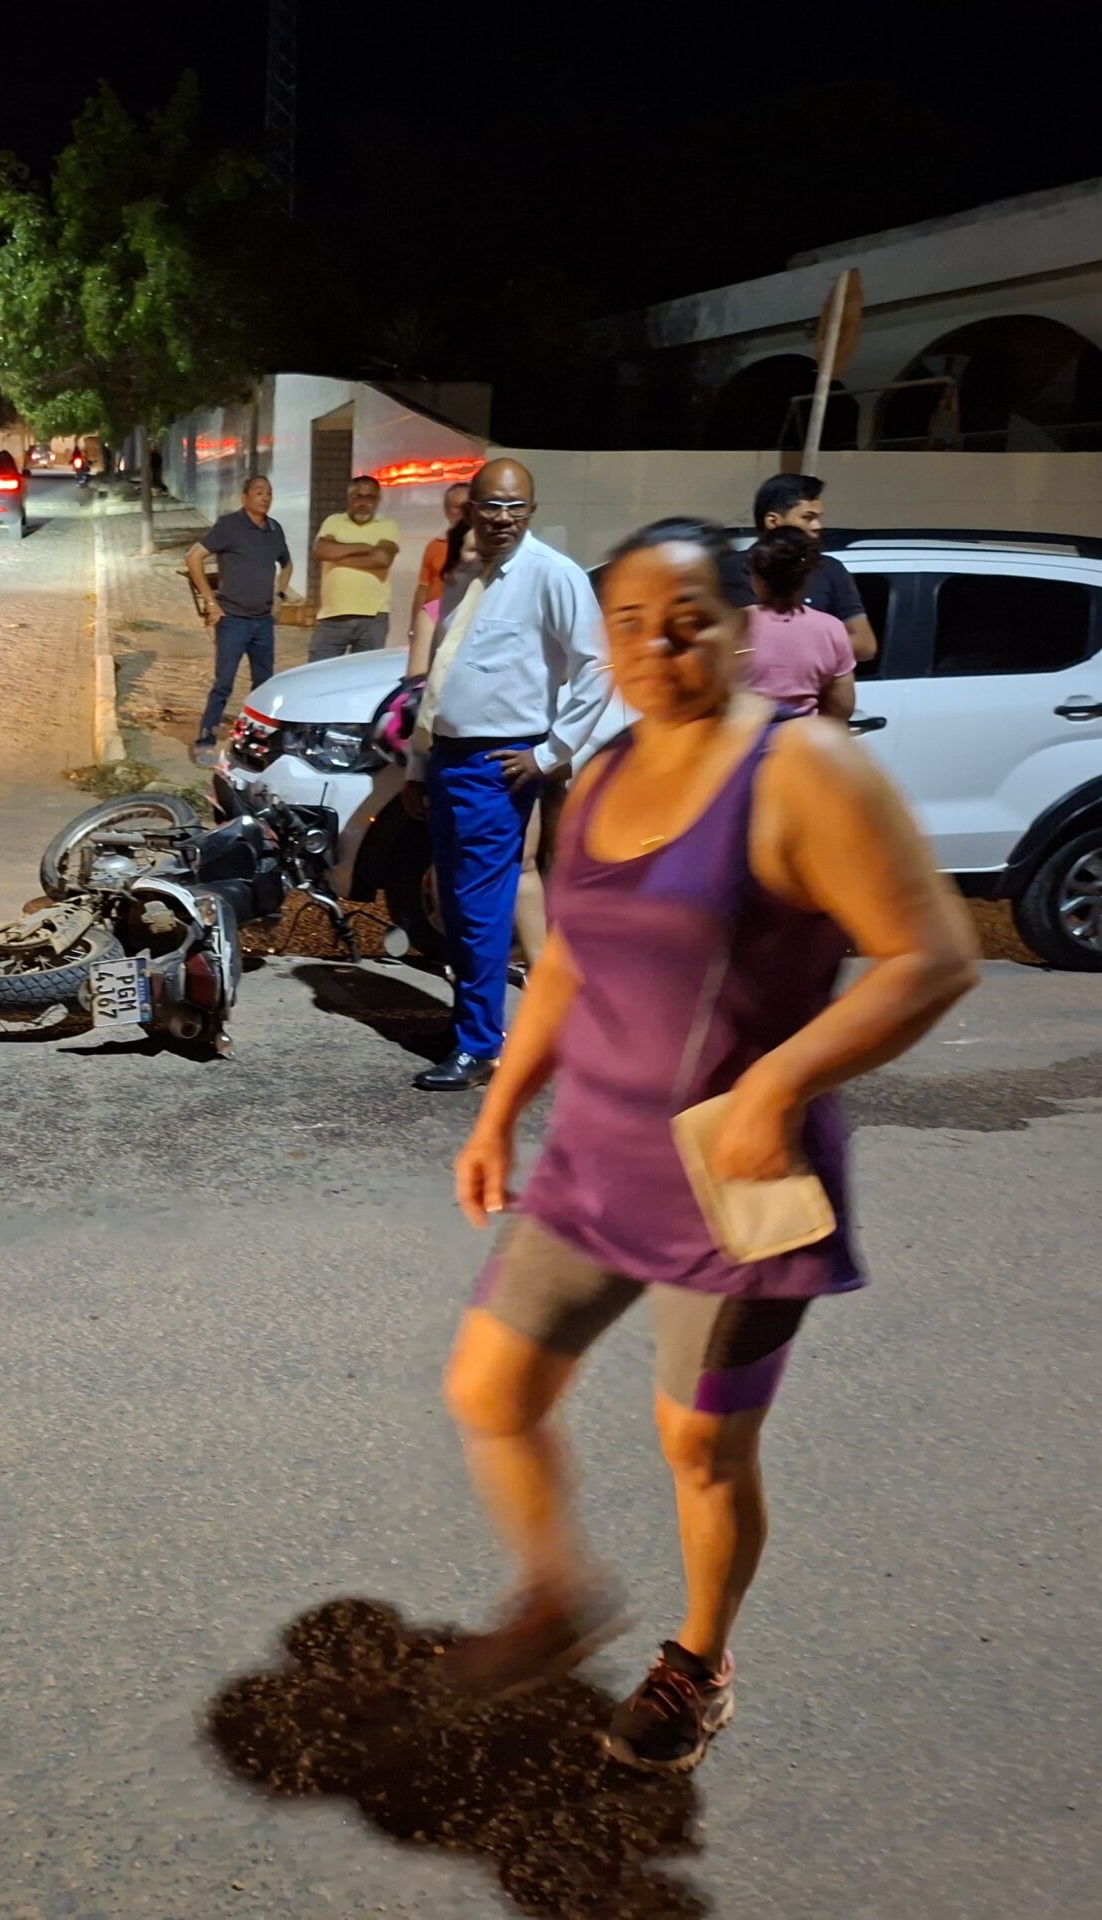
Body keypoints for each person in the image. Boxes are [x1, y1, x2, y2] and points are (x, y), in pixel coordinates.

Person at [439, 514, 977, 1772]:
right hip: (594, 1159)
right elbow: (570, 952)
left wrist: (778, 1082)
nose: (658, 643)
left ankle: (695, 1662)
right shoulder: (612, 769)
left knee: (700, 1446)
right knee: (490, 1389)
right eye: (628, 621)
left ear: (742, 629)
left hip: (736, 1176)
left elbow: (933, 955)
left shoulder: (803, 773)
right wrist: (501, 1106)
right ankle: (558, 1597)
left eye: (688, 616)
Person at [404, 460, 613, 1092]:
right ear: (470, 510)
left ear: (531, 510)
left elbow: (596, 669)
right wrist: (419, 765)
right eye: (489, 507)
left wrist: (548, 755)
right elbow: (438, 679)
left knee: (480, 910)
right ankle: (473, 1027)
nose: (500, 519)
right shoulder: (473, 575)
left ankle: (478, 1047)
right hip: (448, 760)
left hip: (498, 765)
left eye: (513, 508)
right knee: (457, 906)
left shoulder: (553, 576)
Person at [184, 474, 294, 768]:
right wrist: (211, 601)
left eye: (269, 492)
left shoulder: (274, 530)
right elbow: (194, 557)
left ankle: (260, 743)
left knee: (264, 684)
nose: (265, 497)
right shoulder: (229, 526)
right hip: (232, 619)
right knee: (224, 684)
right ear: (245, 497)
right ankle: (205, 740)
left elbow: (287, 563)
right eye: (259, 492)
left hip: (263, 622)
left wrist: (280, 596)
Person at [717, 473, 876, 663]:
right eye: (808, 518)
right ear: (773, 521)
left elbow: (865, 646)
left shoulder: (829, 569)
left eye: (818, 518)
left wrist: (796, 646)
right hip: (745, 689)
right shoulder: (728, 570)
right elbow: (714, 646)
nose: (817, 526)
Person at [740, 527, 857, 720]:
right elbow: (843, 707)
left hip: (745, 742)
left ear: (757, 579)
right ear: (805, 579)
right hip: (801, 743)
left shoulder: (737, 625)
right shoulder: (831, 630)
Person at [308, 475, 402, 662]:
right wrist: (368, 548)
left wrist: (338, 555)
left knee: (365, 678)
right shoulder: (333, 522)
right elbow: (321, 550)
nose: (363, 503)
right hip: (332, 617)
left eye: (370, 498)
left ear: (378, 500)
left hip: (373, 619)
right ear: (348, 498)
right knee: (319, 677)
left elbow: (382, 559)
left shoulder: (387, 525)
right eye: (357, 496)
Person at [408, 481, 474, 641]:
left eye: (468, 506)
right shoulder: (435, 545)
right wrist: (414, 626)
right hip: (434, 620)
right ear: (447, 510)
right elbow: (423, 588)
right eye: (457, 507)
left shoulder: (487, 547)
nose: (464, 512)